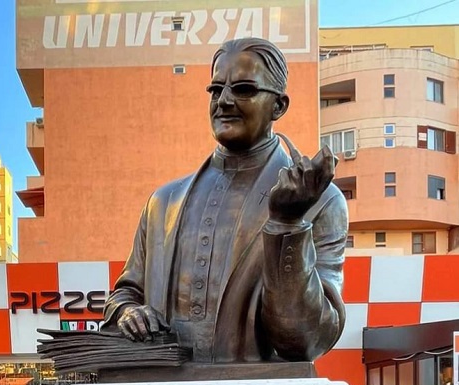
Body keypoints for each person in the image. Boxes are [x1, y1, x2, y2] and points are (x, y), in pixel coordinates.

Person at [103, 37, 348, 363]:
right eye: (216, 90)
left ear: (278, 106)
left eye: (244, 89)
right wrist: (127, 311)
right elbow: (126, 292)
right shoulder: (163, 203)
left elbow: (306, 341)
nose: (225, 101)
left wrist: (287, 224)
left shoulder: (319, 201)